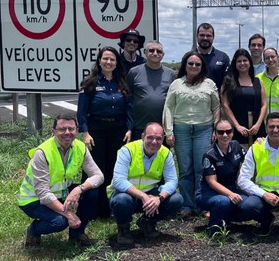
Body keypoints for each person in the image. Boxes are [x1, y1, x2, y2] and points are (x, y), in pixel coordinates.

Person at [18, 114, 104, 247]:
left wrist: (78, 189)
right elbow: (43, 194)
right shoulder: (42, 152)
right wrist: (69, 214)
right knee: (60, 222)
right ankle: (34, 230)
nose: (67, 133)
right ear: (53, 131)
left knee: (91, 193)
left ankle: (77, 234)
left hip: (59, 194)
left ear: (77, 130)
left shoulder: (81, 147)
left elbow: (98, 176)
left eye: (71, 129)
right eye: (62, 129)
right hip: (34, 200)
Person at [163, 51, 220, 216]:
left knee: (201, 169)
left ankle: (202, 204)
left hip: (204, 129)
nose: (194, 66)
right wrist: (168, 132)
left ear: (202, 67)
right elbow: (168, 108)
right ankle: (187, 205)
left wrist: (215, 128)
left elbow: (216, 107)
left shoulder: (209, 84)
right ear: (185, 65)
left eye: (197, 64)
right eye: (190, 63)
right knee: (185, 169)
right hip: (181, 130)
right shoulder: (176, 84)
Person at [76, 46, 131, 218]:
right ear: (99, 61)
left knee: (114, 168)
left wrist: (129, 128)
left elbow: (129, 108)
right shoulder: (90, 83)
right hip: (96, 131)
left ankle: (108, 207)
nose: (108, 62)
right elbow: (81, 112)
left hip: (118, 130)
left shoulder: (121, 82)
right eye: (105, 58)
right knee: (95, 169)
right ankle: (90, 208)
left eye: (112, 59)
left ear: (117, 63)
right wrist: (85, 133)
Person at [108, 123, 184, 246]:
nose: (154, 142)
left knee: (177, 199)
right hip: (127, 194)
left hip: (151, 195)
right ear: (143, 136)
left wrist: (159, 198)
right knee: (122, 200)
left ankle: (147, 222)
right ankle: (123, 229)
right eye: (150, 137)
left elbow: (172, 181)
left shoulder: (166, 153)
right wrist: (143, 196)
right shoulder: (127, 150)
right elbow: (118, 180)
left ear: (163, 139)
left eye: (158, 138)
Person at [196, 119, 256, 235]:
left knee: (252, 204)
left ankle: (227, 219)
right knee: (224, 202)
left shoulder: (236, 146)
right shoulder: (209, 155)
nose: (225, 135)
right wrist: (231, 194)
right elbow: (212, 182)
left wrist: (259, 143)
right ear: (215, 133)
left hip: (231, 188)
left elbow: (251, 160)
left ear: (232, 133)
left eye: (228, 131)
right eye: (220, 132)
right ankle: (214, 230)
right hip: (208, 192)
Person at [127, 40, 176, 141]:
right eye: (151, 50)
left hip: (162, 128)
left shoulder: (171, 74)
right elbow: (127, 98)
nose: (155, 53)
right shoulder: (134, 72)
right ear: (145, 52)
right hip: (138, 127)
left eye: (159, 51)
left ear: (163, 55)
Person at [221, 48, 267, 145]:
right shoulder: (228, 82)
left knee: (258, 151)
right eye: (239, 61)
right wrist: (237, 126)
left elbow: (264, 104)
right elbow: (225, 105)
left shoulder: (258, 81)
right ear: (235, 63)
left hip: (256, 126)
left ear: (250, 62)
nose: (242, 63)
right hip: (237, 126)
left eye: (245, 60)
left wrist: (258, 124)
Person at [196, 22, 230, 91]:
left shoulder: (223, 57)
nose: (205, 38)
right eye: (202, 35)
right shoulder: (189, 57)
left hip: (217, 97)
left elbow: (228, 83)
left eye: (208, 36)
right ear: (197, 36)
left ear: (213, 37)